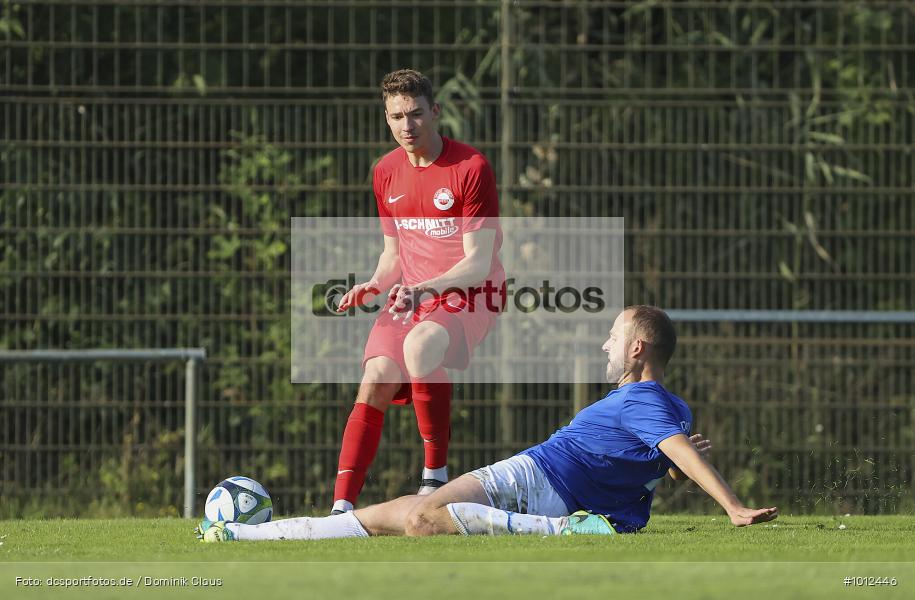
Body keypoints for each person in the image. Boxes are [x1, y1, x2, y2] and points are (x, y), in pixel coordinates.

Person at [197, 306, 778, 541]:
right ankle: (242, 534)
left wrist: (732, 507)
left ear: (637, 349)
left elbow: (676, 448)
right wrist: (673, 467)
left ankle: (563, 532)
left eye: (615, 335)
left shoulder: (646, 400)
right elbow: (662, 457)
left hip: (541, 478)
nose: (605, 341)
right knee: (397, 514)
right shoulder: (670, 406)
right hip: (551, 482)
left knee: (421, 517)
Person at [329, 69, 504, 514]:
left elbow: (478, 264)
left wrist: (424, 288)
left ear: (435, 112)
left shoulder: (471, 168)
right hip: (413, 293)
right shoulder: (385, 172)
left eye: (415, 114)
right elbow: (393, 256)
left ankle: (434, 480)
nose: (407, 126)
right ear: (386, 118)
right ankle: (341, 509)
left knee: (422, 346)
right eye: (396, 117)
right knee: (375, 379)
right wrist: (374, 283)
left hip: (470, 291)